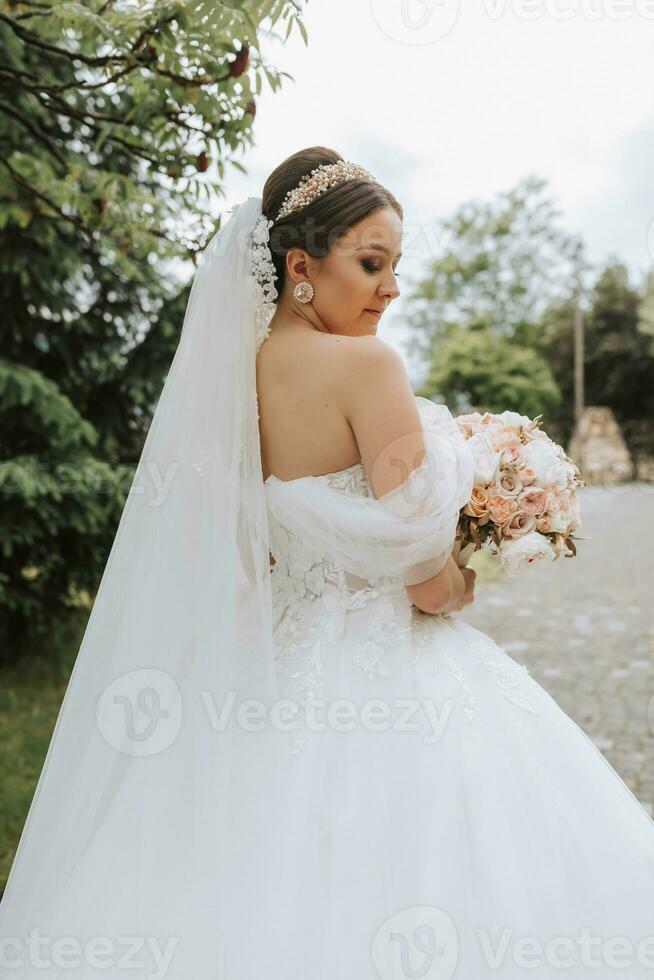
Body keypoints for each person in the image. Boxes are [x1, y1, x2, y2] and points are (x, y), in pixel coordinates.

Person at [1, 146, 653, 980]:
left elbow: (253, 543)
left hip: (266, 664)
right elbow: (418, 568)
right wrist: (461, 582)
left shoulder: (229, 382)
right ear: (301, 266)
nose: (391, 288)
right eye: (372, 263)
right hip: (386, 665)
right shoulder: (366, 366)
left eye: (396, 266)